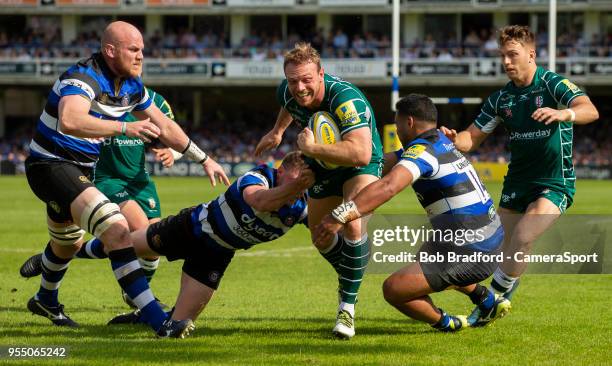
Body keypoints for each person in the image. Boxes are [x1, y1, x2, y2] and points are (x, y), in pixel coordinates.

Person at [23, 21, 229, 336]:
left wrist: (204, 158)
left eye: (142, 50)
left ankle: (45, 299)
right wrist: (124, 127)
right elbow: (70, 119)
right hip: (50, 165)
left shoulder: (132, 85)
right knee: (116, 229)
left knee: (67, 244)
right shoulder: (82, 77)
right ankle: (156, 318)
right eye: (134, 49)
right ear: (110, 50)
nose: (140, 56)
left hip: (81, 169)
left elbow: (165, 127)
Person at [439, 25, 599, 325]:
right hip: (517, 182)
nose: (506, 62)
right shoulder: (501, 99)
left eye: (513, 55)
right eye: (503, 56)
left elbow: (589, 109)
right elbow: (470, 140)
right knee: (500, 248)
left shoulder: (552, 84)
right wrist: (450, 138)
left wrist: (564, 113)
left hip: (555, 181)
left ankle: (488, 306)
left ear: (531, 54)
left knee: (525, 236)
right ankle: (504, 294)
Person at [315, 94, 510, 332]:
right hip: (482, 235)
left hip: (472, 248)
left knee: (394, 289)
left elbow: (388, 186)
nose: (395, 130)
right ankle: (486, 300)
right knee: (426, 258)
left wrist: (340, 215)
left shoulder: (422, 151)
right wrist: (333, 157)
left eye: (397, 124)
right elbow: (382, 163)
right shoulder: (439, 139)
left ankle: (447, 323)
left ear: (408, 122)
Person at [78, 152, 311, 338]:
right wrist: (295, 186)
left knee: (177, 327)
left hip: (216, 254)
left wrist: (341, 214)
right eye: (295, 181)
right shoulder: (258, 177)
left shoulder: (302, 206)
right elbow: (259, 200)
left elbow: (328, 229)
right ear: (279, 173)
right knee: (122, 245)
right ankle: (69, 252)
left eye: (305, 185)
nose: (299, 190)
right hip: (190, 228)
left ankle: (143, 316)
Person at [255, 42, 384, 339]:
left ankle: (346, 309)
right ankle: (354, 268)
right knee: (321, 236)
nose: (299, 88)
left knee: (349, 222)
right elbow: (288, 105)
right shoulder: (287, 91)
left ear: (321, 74)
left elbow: (360, 154)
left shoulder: (345, 99)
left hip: (359, 166)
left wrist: (311, 148)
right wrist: (277, 131)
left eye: (307, 80)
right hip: (324, 167)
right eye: (293, 80)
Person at [20, 88, 179, 309]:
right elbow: (74, 121)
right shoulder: (99, 97)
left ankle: (63, 255)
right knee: (140, 228)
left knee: (153, 243)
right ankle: (142, 300)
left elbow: (173, 134)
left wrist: (173, 152)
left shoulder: (155, 102)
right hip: (106, 178)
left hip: (140, 181)